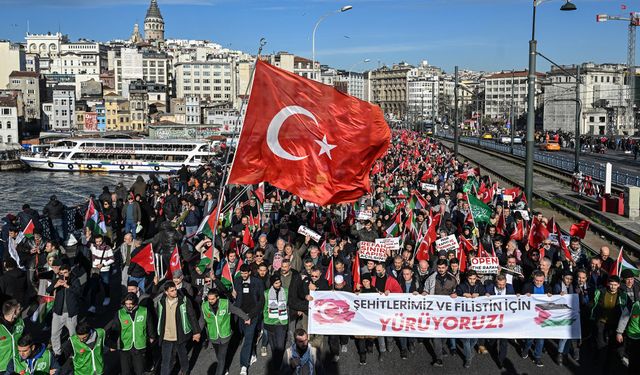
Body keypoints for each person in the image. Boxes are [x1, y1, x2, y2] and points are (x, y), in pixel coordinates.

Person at [200, 289, 249, 375]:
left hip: (225, 335)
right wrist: (197, 332)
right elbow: (201, 321)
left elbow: (236, 310)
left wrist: (246, 318)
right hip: (213, 336)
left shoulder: (225, 304)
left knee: (221, 357)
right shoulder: (204, 306)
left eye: (212, 299)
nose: (210, 301)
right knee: (219, 356)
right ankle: (224, 368)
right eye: (209, 299)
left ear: (217, 298)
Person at [156, 281, 200, 375]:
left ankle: (185, 371)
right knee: (165, 361)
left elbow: (192, 315)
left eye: (175, 289)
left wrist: (196, 332)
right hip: (166, 336)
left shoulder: (184, 300)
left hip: (180, 334)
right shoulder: (161, 302)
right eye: (172, 291)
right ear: (166, 292)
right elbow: (159, 317)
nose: (175, 292)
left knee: (182, 356)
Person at [106, 293, 156, 375]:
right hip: (125, 346)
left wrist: (152, 336)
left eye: (131, 304)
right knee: (126, 371)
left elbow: (150, 324)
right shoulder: (120, 313)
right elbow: (115, 329)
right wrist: (112, 344)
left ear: (135, 302)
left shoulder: (144, 311)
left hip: (139, 345)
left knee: (139, 370)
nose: (128, 306)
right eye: (127, 304)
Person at [232, 263, 265, 375]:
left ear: (249, 272)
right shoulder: (237, 281)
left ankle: (243, 366)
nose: (243, 275)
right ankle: (253, 354)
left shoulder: (258, 282)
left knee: (248, 339)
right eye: (242, 273)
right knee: (243, 335)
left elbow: (261, 302)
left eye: (245, 273)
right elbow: (232, 294)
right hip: (240, 315)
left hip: (252, 315)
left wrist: (249, 316)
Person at [590, 275, 628, 372]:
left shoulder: (623, 295)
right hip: (601, 321)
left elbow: (625, 309)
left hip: (614, 323)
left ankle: (607, 364)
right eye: (611, 284)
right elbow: (594, 304)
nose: (613, 287)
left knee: (611, 344)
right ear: (608, 284)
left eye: (615, 285)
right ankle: (596, 358)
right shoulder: (600, 291)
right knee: (600, 342)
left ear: (618, 285)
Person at [425, 259, 457, 367]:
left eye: (443, 268)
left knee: (445, 334)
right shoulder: (431, 278)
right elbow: (426, 289)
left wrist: (455, 295)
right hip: (434, 312)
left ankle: (441, 347)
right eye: (439, 268)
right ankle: (439, 359)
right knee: (436, 335)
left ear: (447, 268)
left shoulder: (452, 279)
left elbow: (457, 292)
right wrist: (424, 293)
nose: (441, 270)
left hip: (447, 313)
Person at [47, 263, 82, 359]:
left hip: (71, 314)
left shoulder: (74, 280)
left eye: (65, 273)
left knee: (73, 335)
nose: (63, 275)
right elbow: (47, 289)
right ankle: (57, 353)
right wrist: (55, 285)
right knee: (54, 334)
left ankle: (75, 352)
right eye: (61, 273)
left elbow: (79, 292)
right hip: (58, 313)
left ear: (69, 272)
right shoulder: (57, 280)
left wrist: (68, 286)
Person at [455, 269, 486, 368]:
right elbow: (457, 293)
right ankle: (468, 358)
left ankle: (470, 349)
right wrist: (462, 294)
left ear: (476, 278)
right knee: (466, 340)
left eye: (474, 279)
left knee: (474, 339)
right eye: (470, 279)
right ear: (467, 278)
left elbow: (485, 295)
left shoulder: (480, 286)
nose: (472, 281)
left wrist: (480, 295)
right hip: (464, 318)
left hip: (476, 318)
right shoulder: (461, 286)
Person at [521, 270, 552, 367]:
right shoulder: (527, 286)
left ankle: (537, 357)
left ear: (544, 280)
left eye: (541, 281)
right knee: (530, 338)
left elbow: (554, 301)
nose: (538, 283)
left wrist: (551, 296)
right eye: (537, 280)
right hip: (530, 316)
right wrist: (525, 296)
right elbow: (521, 301)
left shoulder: (548, 288)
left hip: (542, 316)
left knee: (541, 339)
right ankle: (526, 349)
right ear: (533, 280)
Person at [485, 274, 515, 369]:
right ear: (496, 282)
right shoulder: (489, 287)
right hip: (493, 318)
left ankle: (501, 360)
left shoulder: (510, 288)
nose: (501, 286)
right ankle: (491, 347)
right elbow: (482, 300)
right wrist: (485, 295)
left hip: (505, 319)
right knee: (492, 341)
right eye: (499, 284)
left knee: (504, 341)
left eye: (503, 284)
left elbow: (514, 300)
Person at [263, 274, 289, 371]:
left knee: (280, 346)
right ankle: (276, 365)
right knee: (273, 347)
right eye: (276, 283)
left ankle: (277, 368)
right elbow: (264, 308)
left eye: (279, 282)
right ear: (272, 283)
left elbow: (288, 305)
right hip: (270, 322)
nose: (278, 284)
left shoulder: (285, 291)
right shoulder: (266, 293)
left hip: (281, 323)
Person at [88, 234, 115, 313]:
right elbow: (84, 242)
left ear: (102, 240)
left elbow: (112, 259)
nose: (98, 243)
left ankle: (107, 297)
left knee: (105, 284)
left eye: (100, 241)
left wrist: (103, 264)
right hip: (94, 270)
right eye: (97, 241)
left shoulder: (108, 248)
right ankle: (92, 306)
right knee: (93, 288)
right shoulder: (92, 246)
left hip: (104, 270)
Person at [617, 294, 640, 373]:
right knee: (633, 359)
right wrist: (619, 332)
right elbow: (623, 319)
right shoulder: (633, 305)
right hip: (633, 337)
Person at [0, 299, 24, 372]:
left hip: (18, 364)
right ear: (14, 312)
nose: (21, 310)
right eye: (19, 309)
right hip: (2, 367)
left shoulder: (20, 322)